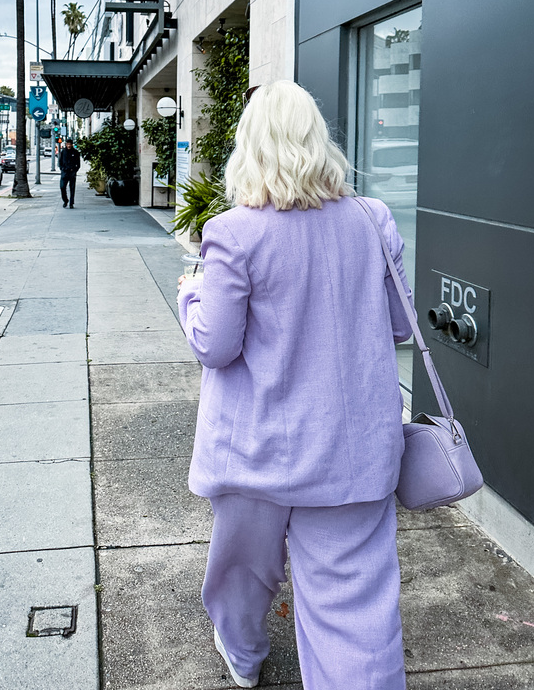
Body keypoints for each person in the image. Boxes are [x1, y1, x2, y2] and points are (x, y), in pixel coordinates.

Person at [177, 80, 413, 690]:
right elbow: (400, 326)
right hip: (354, 452)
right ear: (319, 140)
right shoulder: (374, 218)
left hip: (256, 450)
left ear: (249, 148)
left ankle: (245, 657)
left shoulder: (234, 232)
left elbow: (215, 344)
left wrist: (189, 295)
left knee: (240, 575)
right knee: (357, 609)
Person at [59, 138, 81, 208]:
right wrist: (62, 168)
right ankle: (65, 200)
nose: (69, 146)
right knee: (62, 187)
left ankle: (71, 203)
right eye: (67, 144)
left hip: (72, 172)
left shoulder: (76, 152)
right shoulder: (63, 152)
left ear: (72, 145)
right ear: (66, 144)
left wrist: (75, 170)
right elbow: (60, 161)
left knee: (72, 188)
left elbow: (78, 163)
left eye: (70, 144)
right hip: (64, 172)